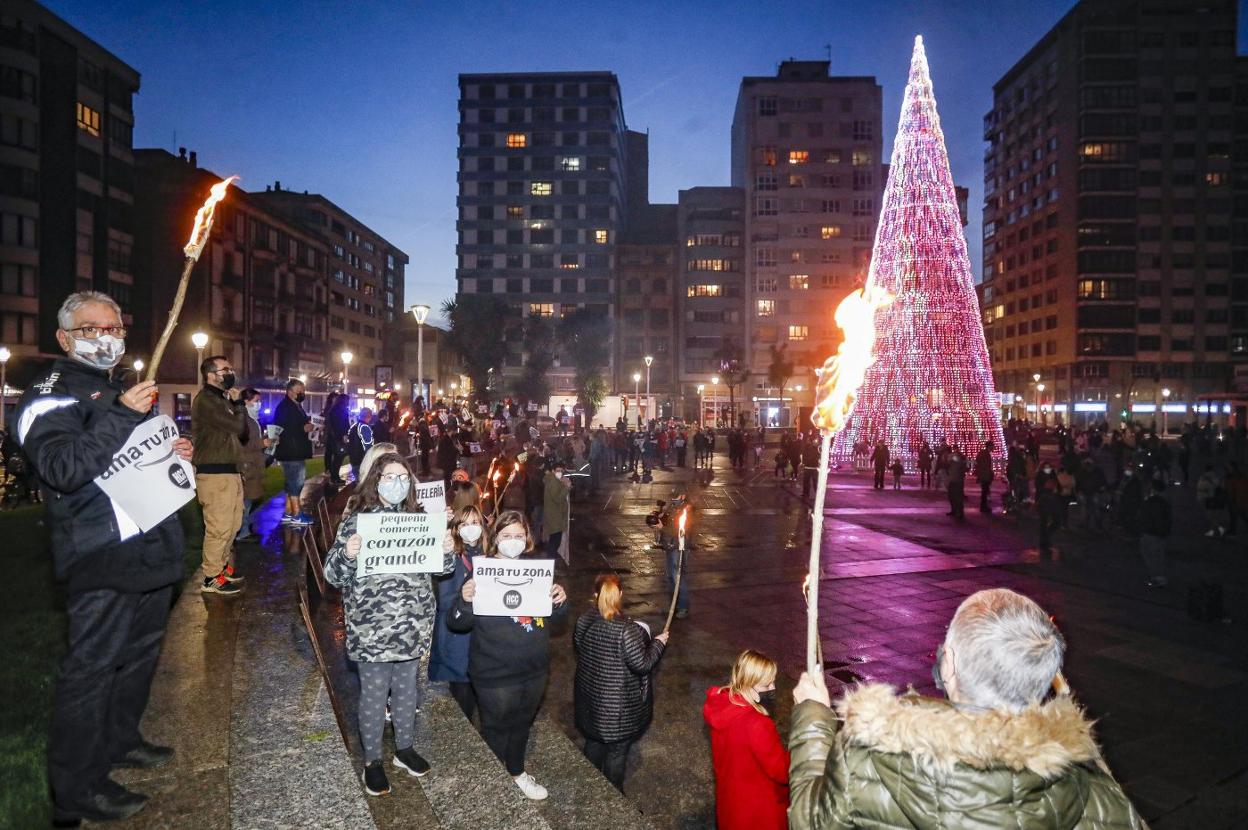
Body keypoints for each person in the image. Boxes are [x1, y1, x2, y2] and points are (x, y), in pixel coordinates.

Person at [15, 291, 194, 823]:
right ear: (65, 338)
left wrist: (169, 449)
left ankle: (120, 741)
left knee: (137, 659)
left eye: (115, 327)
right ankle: (76, 789)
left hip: (148, 550)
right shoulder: (48, 397)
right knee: (90, 671)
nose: (107, 335)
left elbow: (122, 456)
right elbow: (65, 467)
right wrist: (120, 415)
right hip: (100, 555)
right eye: (93, 328)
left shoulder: (111, 388)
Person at [788, 588, 1144, 829]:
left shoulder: (865, 758)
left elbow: (808, 818)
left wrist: (812, 720)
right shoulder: (1096, 791)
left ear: (949, 664)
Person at [323, 452, 453, 796]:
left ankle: (405, 749)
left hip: (412, 623)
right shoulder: (356, 521)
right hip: (372, 627)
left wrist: (447, 548)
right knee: (375, 692)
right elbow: (332, 574)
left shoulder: (421, 519)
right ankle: (372, 762)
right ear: (375, 481)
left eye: (402, 477)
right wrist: (348, 553)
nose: (396, 483)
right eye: (389, 477)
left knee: (408, 688)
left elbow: (443, 569)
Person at [448, 511, 569, 800]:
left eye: (518, 535)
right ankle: (493, 781)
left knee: (522, 723)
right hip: (494, 672)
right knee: (496, 727)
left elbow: (556, 618)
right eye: (506, 536)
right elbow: (456, 623)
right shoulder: (481, 571)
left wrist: (560, 601)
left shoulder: (537, 571)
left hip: (534, 669)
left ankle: (516, 771)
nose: (512, 541)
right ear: (495, 539)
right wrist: (465, 600)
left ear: (526, 538)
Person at [573, 574, 669, 791]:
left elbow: (581, 648)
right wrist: (657, 644)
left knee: (594, 742)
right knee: (617, 754)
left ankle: (589, 788)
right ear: (621, 595)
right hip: (618, 710)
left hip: (590, 702)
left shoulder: (584, 620)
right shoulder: (627, 630)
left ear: (595, 595)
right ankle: (613, 797)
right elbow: (642, 664)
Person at [703, 650, 789, 830]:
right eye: (766, 685)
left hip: (731, 800)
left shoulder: (722, 704)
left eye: (774, 681)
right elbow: (782, 771)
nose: (773, 689)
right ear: (749, 685)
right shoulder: (757, 724)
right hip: (757, 809)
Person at [191, 355, 246, 595]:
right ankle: (211, 576)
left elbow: (241, 434)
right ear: (211, 375)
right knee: (219, 526)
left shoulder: (221, 400)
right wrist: (240, 405)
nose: (230, 372)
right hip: (214, 474)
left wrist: (234, 406)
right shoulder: (206, 400)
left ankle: (221, 567)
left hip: (229, 471)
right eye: (225, 369)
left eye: (230, 368)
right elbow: (237, 427)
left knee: (233, 524)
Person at [430, 505, 488, 718]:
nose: (470, 528)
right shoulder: (449, 556)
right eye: (464, 524)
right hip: (456, 639)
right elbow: (443, 600)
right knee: (461, 699)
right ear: (456, 528)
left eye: (475, 523)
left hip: (482, 639)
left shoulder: (490, 556)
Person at [273, 378, 314, 526]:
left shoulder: (294, 406)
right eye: (299, 391)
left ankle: (289, 511)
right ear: (290, 392)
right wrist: (303, 428)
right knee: (297, 481)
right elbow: (284, 428)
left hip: (293, 450)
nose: (302, 394)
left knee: (292, 482)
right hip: (291, 450)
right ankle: (296, 513)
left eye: (303, 391)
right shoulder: (286, 407)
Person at [234, 388, 268, 541]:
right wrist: (262, 442)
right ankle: (241, 531)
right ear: (246, 401)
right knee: (245, 501)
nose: (259, 404)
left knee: (248, 500)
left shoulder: (252, 418)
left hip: (253, 464)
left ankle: (245, 528)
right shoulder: (244, 419)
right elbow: (243, 443)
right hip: (247, 465)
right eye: (256, 401)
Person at [1140, 478, 1171, 588]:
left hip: (1152, 533)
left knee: (1153, 557)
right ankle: (1157, 577)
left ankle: (1157, 578)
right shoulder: (1163, 502)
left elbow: (1152, 518)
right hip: (1156, 533)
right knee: (1156, 557)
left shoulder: (1154, 502)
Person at [541, 459, 571, 558]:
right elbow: (557, 499)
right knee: (554, 541)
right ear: (553, 471)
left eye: (562, 471)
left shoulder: (554, 480)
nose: (560, 473)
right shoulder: (553, 482)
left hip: (555, 515)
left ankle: (551, 559)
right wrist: (567, 487)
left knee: (555, 540)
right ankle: (550, 561)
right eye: (558, 471)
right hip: (555, 516)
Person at [324, 391, 350, 485]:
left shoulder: (333, 409)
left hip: (333, 437)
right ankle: (335, 478)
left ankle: (334, 477)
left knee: (337, 458)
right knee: (338, 458)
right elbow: (342, 424)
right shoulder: (341, 409)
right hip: (338, 437)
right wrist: (344, 435)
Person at [347, 408, 376, 482]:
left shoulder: (354, 426)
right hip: (361, 458)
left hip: (354, 457)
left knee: (358, 479)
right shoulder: (364, 427)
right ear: (369, 416)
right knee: (364, 481)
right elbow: (368, 445)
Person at [946, 445, 967, 520]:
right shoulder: (955, 456)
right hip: (954, 478)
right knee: (952, 495)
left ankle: (959, 512)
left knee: (957, 496)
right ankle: (955, 510)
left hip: (957, 479)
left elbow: (959, 463)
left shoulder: (956, 457)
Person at [974, 441, 994, 513]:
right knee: (984, 492)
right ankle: (983, 507)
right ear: (989, 446)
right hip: (985, 475)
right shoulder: (985, 454)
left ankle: (984, 506)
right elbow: (985, 466)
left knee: (985, 491)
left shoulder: (983, 453)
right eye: (992, 446)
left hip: (984, 475)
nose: (993, 448)